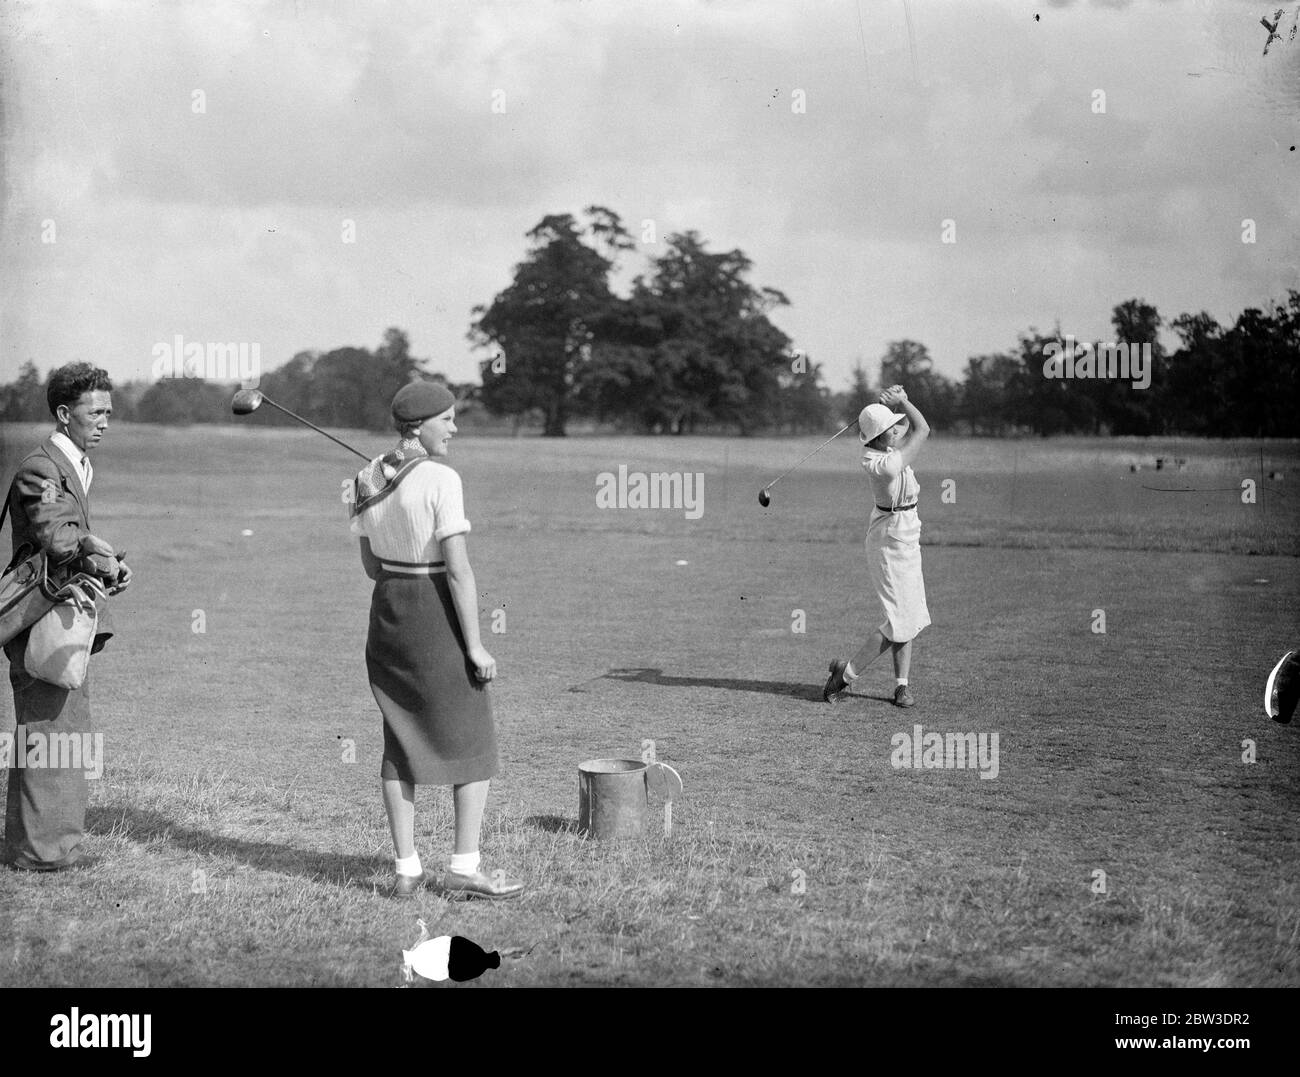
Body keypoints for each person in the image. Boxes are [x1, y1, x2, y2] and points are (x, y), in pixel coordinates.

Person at [345, 380, 523, 900]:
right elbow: (460, 571)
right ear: (419, 425)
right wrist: (475, 646)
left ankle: (407, 869)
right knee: (472, 742)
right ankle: (464, 869)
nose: (455, 428)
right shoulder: (442, 478)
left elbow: (372, 566)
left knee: (400, 743)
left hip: (389, 614)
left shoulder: (363, 478)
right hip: (435, 613)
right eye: (446, 419)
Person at [3, 362, 130, 872]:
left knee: (56, 727)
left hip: (62, 609)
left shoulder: (72, 462)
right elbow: (58, 537)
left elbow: (71, 539)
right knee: (52, 730)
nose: (104, 422)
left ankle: (31, 846)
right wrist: (102, 557)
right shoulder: (43, 467)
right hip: (40, 616)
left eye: (108, 412)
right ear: (63, 413)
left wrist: (109, 564)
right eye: (94, 412)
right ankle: (45, 853)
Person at [824, 384, 931, 707]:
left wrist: (900, 402)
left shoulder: (886, 451)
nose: (896, 430)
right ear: (879, 436)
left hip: (908, 532)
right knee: (899, 619)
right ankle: (843, 676)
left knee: (908, 613)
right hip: (887, 541)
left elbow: (911, 427)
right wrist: (904, 401)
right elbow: (922, 429)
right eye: (889, 428)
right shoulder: (879, 463)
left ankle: (902, 686)